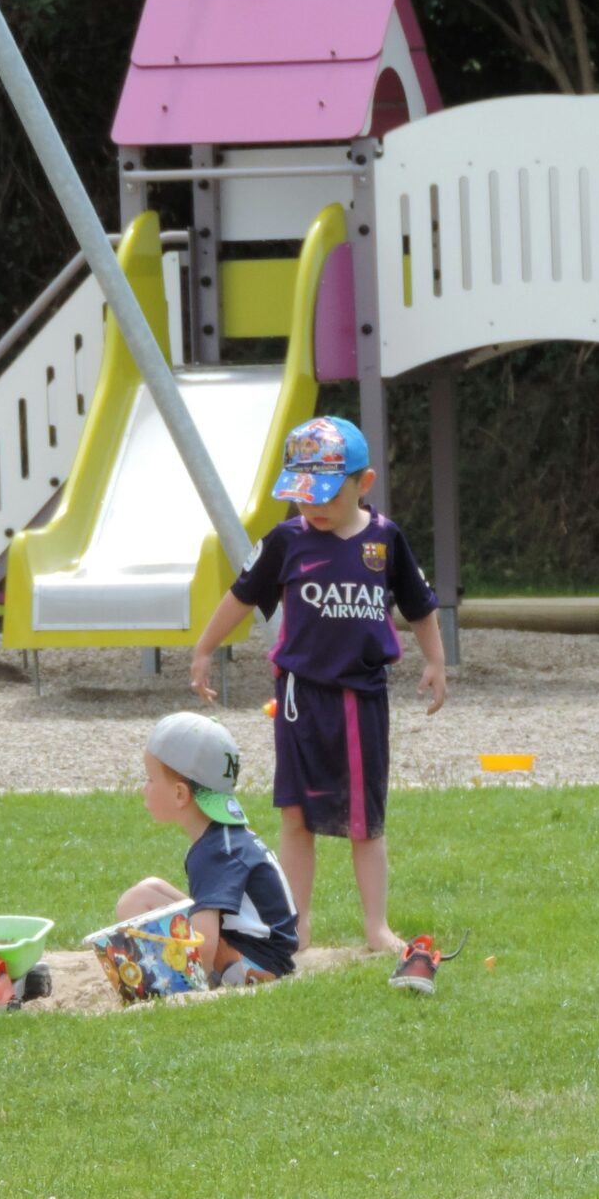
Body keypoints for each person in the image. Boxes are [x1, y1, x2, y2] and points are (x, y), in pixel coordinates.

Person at [188, 415, 446, 968]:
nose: (315, 507)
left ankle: (376, 926)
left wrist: (436, 661)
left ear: (364, 482)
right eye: (304, 497)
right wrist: (205, 648)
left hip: (362, 699)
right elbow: (241, 595)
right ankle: (297, 925)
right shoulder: (287, 541)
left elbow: (419, 604)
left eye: (328, 495)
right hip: (300, 698)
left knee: (365, 820)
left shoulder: (385, 540)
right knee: (297, 815)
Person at [114, 713, 299, 986]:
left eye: (150, 779)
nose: (144, 788)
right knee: (147, 891)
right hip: (262, 957)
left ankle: (173, 984)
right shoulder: (225, 839)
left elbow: (205, 941)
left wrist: (189, 991)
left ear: (180, 794)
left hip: (255, 967)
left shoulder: (214, 851)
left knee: (137, 901)